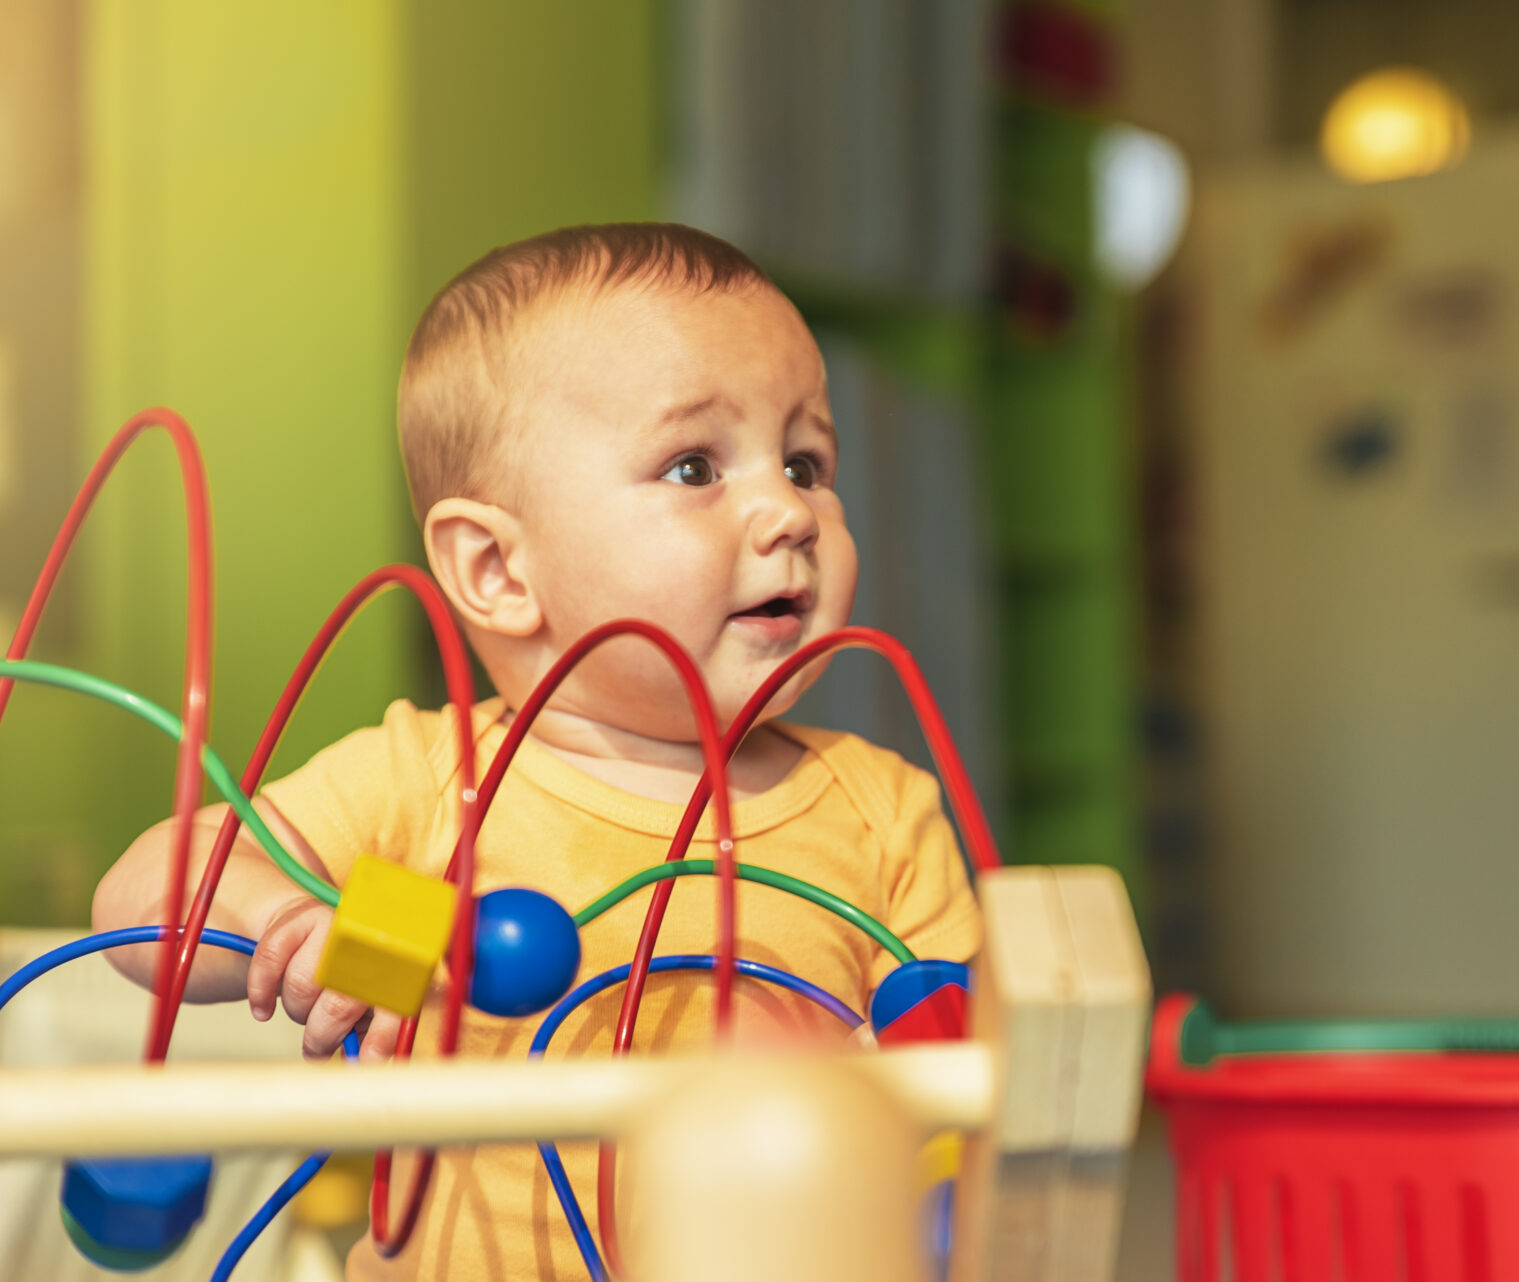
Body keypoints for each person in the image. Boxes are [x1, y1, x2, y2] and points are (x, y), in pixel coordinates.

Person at [90, 223, 983, 1279]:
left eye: (807, 460)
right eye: (696, 465)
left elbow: (965, 1083)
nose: (789, 509)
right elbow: (142, 902)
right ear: (498, 570)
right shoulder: (427, 778)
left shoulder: (879, 808)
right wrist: (304, 923)